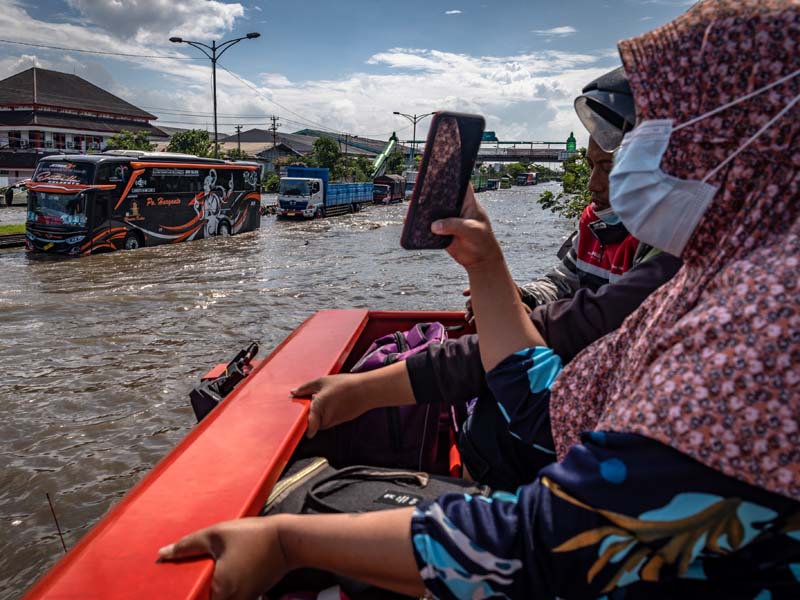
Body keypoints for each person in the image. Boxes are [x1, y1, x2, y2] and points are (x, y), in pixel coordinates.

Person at [159, 1, 800, 597]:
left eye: (656, 129)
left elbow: (556, 543)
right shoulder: (722, 271)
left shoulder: (765, 317)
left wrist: (287, 543)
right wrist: (486, 264)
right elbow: (546, 409)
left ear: (745, 141)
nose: (621, 163)